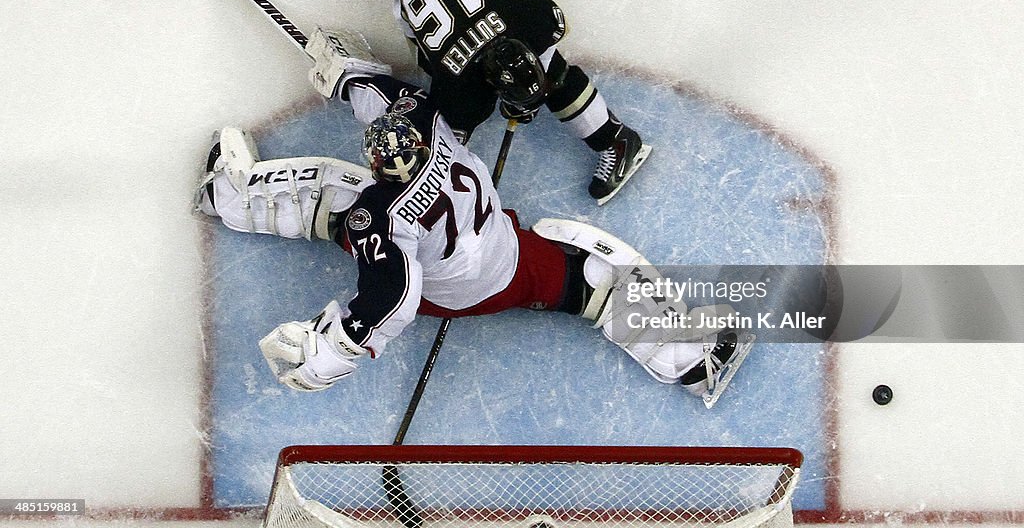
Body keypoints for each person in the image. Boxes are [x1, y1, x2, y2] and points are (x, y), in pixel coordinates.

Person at [195, 60, 749, 404]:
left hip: (455, 291)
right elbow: (386, 97)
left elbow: (394, 297)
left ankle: (228, 194)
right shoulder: (435, 130)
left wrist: (331, 351)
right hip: (509, 264)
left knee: (331, 192)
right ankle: (696, 361)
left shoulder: (380, 214)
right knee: (597, 279)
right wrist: (347, 73)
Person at [390, 0, 651, 206]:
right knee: (550, 71)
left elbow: (420, 51)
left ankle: (451, 201)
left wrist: (517, 89)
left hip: (467, 54)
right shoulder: (527, 17)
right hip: (482, 46)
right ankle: (615, 140)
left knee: (450, 131)